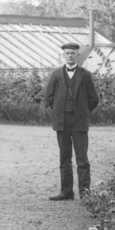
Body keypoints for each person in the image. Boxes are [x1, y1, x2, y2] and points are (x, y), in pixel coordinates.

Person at [43, 41, 100, 201]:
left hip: (79, 121)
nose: (70, 56)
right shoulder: (56, 74)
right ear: (63, 55)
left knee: (82, 158)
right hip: (62, 121)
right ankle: (66, 191)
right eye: (67, 53)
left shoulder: (85, 75)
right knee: (64, 158)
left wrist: (83, 111)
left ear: (77, 55)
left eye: (73, 53)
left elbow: (94, 99)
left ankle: (84, 192)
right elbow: (49, 98)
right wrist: (59, 110)